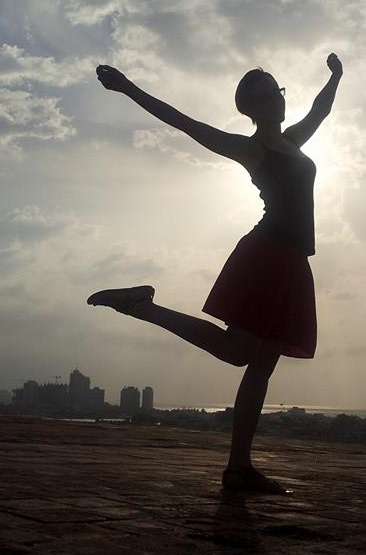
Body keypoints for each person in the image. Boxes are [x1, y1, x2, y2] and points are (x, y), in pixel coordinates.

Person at [89, 53, 343, 492]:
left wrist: (336, 77)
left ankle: (238, 469)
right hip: (266, 255)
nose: (277, 101)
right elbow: (185, 123)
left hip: (293, 262)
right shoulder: (251, 148)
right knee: (238, 352)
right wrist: (128, 88)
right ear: (251, 107)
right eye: (267, 95)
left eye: (278, 91)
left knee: (261, 364)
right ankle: (143, 308)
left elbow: (321, 109)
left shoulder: (294, 141)